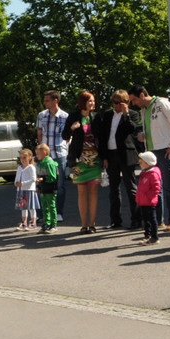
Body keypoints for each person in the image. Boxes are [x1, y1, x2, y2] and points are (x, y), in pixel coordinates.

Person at [129, 85, 170, 231]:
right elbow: (155, 129)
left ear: (142, 95)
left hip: (164, 150)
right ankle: (158, 220)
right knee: (155, 188)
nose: (133, 103)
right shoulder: (144, 110)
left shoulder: (161, 103)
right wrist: (144, 137)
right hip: (151, 152)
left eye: (134, 99)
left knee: (168, 185)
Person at [63, 91, 106, 234]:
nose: (92, 103)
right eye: (90, 101)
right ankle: (83, 225)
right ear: (83, 102)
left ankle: (92, 224)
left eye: (93, 101)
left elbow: (103, 139)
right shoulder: (74, 116)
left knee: (93, 192)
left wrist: (105, 158)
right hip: (79, 160)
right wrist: (72, 128)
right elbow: (64, 136)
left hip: (95, 159)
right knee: (81, 192)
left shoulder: (97, 117)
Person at [99, 90, 140, 229]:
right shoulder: (107, 114)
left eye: (119, 103)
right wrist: (104, 156)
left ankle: (136, 219)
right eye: (114, 102)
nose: (116, 105)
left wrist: (126, 113)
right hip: (111, 154)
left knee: (131, 187)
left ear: (126, 102)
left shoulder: (133, 114)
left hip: (126, 154)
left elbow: (131, 129)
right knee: (114, 189)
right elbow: (103, 136)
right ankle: (115, 220)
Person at [36, 90, 69, 222]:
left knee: (59, 185)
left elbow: (68, 136)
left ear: (56, 100)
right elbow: (39, 134)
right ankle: (42, 214)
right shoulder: (41, 115)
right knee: (42, 184)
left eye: (47, 100)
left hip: (60, 154)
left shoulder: (65, 116)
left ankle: (58, 212)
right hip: (44, 157)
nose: (44, 103)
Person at [136, 151, 163, 245]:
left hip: (149, 201)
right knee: (146, 220)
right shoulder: (145, 173)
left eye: (141, 163)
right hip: (144, 201)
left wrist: (148, 197)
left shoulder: (152, 174)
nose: (139, 165)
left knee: (152, 219)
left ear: (147, 163)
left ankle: (154, 237)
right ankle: (147, 236)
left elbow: (156, 188)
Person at [34, 143, 59, 234]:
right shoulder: (41, 163)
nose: (36, 156)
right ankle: (46, 224)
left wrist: (43, 179)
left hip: (50, 188)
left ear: (44, 153)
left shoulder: (49, 163)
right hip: (43, 189)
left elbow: (53, 177)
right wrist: (38, 186)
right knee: (44, 207)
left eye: (38, 153)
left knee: (51, 206)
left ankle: (53, 225)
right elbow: (39, 176)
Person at [14, 149, 38, 230]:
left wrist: (23, 183)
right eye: (21, 158)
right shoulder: (19, 168)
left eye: (25, 157)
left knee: (31, 207)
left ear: (30, 158)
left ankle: (33, 223)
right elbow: (17, 178)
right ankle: (24, 222)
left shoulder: (31, 167)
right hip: (21, 190)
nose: (23, 159)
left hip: (29, 190)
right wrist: (16, 183)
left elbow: (34, 179)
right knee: (23, 207)